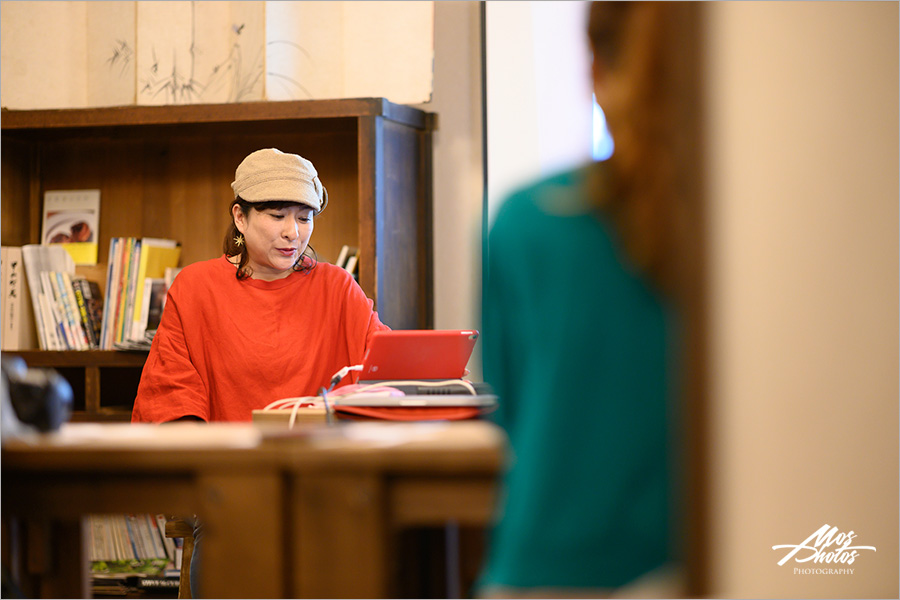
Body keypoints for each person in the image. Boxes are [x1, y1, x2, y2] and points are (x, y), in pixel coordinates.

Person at [477, 2, 692, 597]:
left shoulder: (527, 223)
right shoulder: (754, 230)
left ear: (594, 67)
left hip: (547, 569)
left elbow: (511, 417)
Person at [132, 148, 389, 423]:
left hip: (322, 458)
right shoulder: (195, 287)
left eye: (304, 218)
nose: (292, 232)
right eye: (278, 216)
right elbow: (169, 395)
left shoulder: (338, 287)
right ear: (240, 217)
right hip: (227, 460)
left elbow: (389, 367)